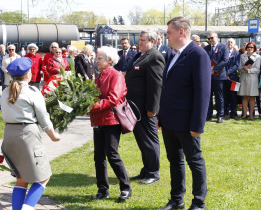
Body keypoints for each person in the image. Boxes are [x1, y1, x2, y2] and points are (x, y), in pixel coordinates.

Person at [157, 16, 211, 210]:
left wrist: (197, 125)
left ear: (181, 32)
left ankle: (198, 202)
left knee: (194, 160)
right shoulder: (173, 54)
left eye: (169, 33)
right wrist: (160, 117)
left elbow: (203, 92)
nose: (166, 37)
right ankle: (176, 198)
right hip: (170, 121)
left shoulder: (198, 54)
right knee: (175, 161)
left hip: (187, 123)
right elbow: (167, 88)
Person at [0, 57, 61, 210]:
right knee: (43, 177)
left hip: (9, 134)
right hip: (27, 135)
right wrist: (53, 136)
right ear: (28, 74)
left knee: (21, 179)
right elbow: (43, 119)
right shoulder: (32, 92)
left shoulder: (5, 92)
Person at [90, 46, 132, 201]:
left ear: (109, 60)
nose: (96, 61)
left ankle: (125, 187)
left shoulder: (116, 75)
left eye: (99, 58)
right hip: (98, 120)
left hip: (111, 120)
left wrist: (92, 106)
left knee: (112, 154)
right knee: (98, 156)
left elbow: (114, 98)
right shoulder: (99, 76)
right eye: (96, 58)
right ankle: (102, 189)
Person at [125, 29, 165, 184]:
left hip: (146, 109)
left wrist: (152, 109)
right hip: (135, 108)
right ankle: (146, 169)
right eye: (139, 40)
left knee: (149, 140)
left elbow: (156, 86)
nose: (139, 42)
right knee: (142, 140)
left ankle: (153, 173)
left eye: (143, 40)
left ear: (152, 41)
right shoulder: (140, 55)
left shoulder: (155, 57)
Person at [204, 31, 229, 123]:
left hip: (219, 76)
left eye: (212, 38)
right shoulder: (205, 48)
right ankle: (208, 115)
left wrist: (215, 69)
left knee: (219, 97)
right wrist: (208, 70)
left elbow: (225, 60)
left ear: (217, 37)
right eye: (209, 38)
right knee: (208, 97)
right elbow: (203, 60)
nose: (210, 40)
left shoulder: (224, 47)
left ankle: (220, 115)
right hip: (208, 76)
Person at [238, 42, 261, 120]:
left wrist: (248, 69)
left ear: (254, 48)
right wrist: (243, 69)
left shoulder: (258, 57)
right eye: (248, 47)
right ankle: (244, 114)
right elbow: (239, 67)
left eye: (251, 47)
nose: (249, 48)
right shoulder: (242, 56)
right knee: (244, 96)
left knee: (252, 97)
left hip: (252, 78)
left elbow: (257, 69)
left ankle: (251, 115)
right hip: (243, 77)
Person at [224, 38, 240, 119]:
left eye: (231, 42)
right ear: (227, 43)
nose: (230, 43)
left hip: (233, 78)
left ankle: (233, 113)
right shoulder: (224, 53)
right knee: (225, 95)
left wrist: (227, 73)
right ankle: (225, 112)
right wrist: (224, 74)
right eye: (229, 42)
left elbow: (236, 65)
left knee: (233, 96)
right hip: (223, 78)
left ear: (234, 44)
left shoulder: (237, 54)